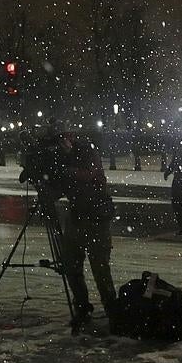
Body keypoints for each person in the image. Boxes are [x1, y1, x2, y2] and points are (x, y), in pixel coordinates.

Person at [63, 135, 116, 328]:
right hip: (77, 215)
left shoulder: (86, 151)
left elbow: (88, 174)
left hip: (96, 217)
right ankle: (82, 307)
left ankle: (112, 310)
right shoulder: (64, 157)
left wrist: (66, 171)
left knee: (100, 268)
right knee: (71, 265)